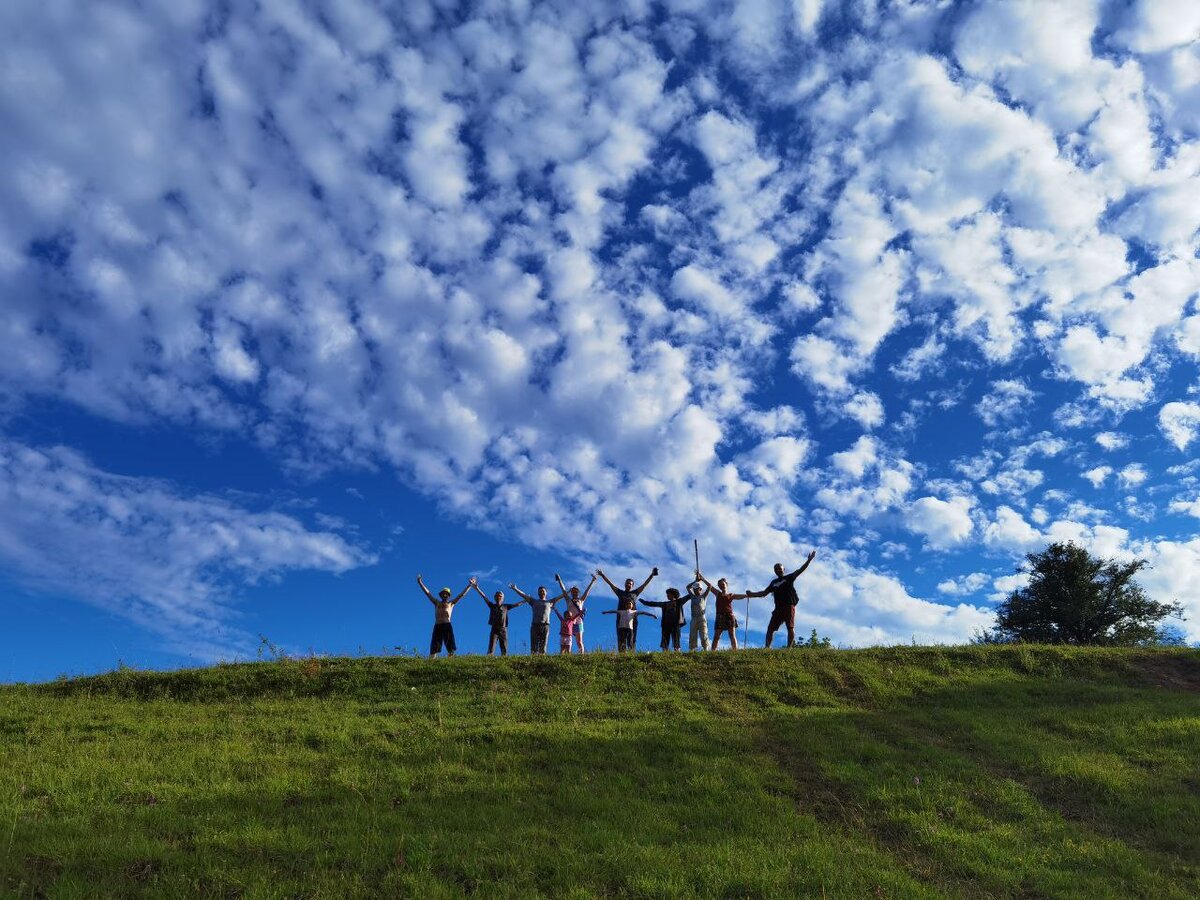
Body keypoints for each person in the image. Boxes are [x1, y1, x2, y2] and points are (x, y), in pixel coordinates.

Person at [747, 551, 818, 648]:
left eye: (780, 569)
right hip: (778, 608)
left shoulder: (789, 578)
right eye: (776, 569)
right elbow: (763, 593)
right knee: (770, 628)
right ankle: (767, 648)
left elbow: (800, 570)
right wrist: (751, 594)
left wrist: (809, 560)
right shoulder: (773, 583)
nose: (778, 570)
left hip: (789, 606)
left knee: (790, 627)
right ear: (774, 571)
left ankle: (789, 648)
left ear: (783, 570)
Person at [597, 566, 658, 651]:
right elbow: (611, 584)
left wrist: (651, 575)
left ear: (632, 585)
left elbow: (644, 585)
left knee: (632, 636)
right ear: (625, 584)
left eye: (630, 583)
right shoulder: (620, 593)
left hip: (633, 617)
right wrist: (603, 575)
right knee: (621, 635)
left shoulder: (635, 593)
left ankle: (631, 652)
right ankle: (622, 653)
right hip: (621, 617)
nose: (628, 584)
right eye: (627, 583)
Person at [416, 574, 474, 657]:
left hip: (447, 625)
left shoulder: (451, 603)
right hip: (437, 625)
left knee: (450, 644)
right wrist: (420, 582)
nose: (444, 595)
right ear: (441, 595)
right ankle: (432, 660)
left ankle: (451, 659)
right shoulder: (436, 603)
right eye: (443, 594)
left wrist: (470, 585)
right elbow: (427, 593)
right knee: (435, 644)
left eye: (446, 594)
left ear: (449, 595)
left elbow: (462, 595)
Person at [509, 582, 567, 654]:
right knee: (534, 646)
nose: (541, 592)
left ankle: (542, 660)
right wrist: (515, 589)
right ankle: (533, 660)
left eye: (543, 591)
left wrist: (568, 591)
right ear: (538, 593)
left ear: (546, 593)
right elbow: (524, 595)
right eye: (540, 591)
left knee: (543, 645)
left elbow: (561, 596)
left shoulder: (550, 602)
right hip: (535, 625)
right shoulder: (533, 601)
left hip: (545, 625)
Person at [696, 573, 750, 650]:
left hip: (729, 616)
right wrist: (702, 578)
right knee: (716, 636)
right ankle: (713, 653)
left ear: (726, 584)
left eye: (722, 584)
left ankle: (735, 651)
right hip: (720, 616)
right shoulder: (718, 593)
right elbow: (710, 586)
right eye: (720, 585)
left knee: (732, 635)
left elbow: (740, 596)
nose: (721, 586)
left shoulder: (731, 595)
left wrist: (747, 595)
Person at [471, 582, 525, 656]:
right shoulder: (492, 606)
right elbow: (484, 597)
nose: (498, 597)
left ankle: (504, 661)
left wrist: (525, 600)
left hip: (503, 629)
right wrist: (477, 588)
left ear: (503, 598)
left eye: (500, 596)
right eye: (497, 596)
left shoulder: (506, 606)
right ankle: (489, 660)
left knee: (504, 649)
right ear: (495, 598)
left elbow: (517, 604)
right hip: (494, 629)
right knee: (491, 648)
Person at [555, 573, 598, 653]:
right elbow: (563, 590)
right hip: (569, 623)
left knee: (579, 641)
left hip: (578, 623)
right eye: (573, 591)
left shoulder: (581, 600)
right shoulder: (568, 600)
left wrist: (592, 581)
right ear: (571, 592)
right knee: (566, 641)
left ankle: (582, 656)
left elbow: (587, 591)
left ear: (578, 592)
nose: (574, 592)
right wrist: (560, 580)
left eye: (576, 591)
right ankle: (565, 655)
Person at [639, 587, 688, 651]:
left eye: (668, 594)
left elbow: (689, 596)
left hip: (676, 624)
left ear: (673, 594)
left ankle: (677, 653)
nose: (667, 596)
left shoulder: (679, 601)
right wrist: (644, 602)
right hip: (666, 625)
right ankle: (665, 653)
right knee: (665, 640)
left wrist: (695, 586)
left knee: (676, 640)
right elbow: (653, 603)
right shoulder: (665, 604)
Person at [685, 576, 711, 651]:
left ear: (700, 589)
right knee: (692, 634)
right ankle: (692, 649)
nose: (695, 590)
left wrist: (702, 579)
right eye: (694, 589)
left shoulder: (704, 596)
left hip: (702, 617)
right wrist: (695, 581)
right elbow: (687, 587)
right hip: (694, 618)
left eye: (697, 589)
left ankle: (706, 648)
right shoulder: (692, 596)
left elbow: (709, 586)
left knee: (703, 633)